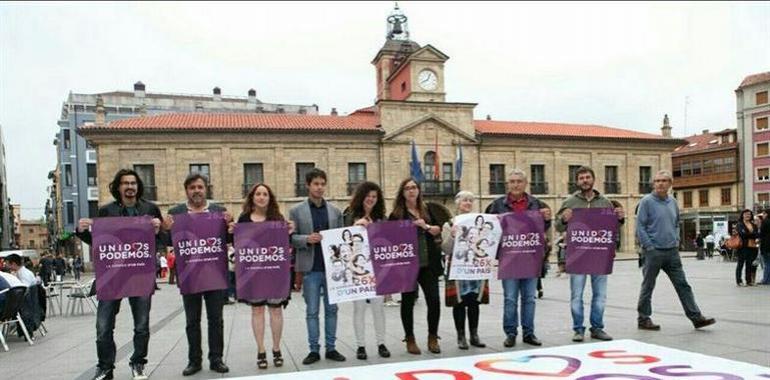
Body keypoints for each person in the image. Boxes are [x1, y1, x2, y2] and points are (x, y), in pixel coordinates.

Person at [75, 168, 163, 380]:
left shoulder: (150, 209)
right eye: (125, 183)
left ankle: (138, 363)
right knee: (103, 326)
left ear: (138, 187)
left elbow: (161, 241)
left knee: (141, 324)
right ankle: (105, 367)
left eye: (133, 183)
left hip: (141, 275)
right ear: (118, 187)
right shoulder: (106, 211)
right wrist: (82, 230)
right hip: (112, 277)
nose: (130, 186)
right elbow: (98, 242)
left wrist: (159, 230)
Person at [164, 173, 231, 376]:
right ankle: (194, 360)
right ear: (187, 191)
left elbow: (229, 237)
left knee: (216, 319)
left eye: (200, 187)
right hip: (189, 275)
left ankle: (216, 359)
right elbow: (169, 240)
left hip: (214, 273)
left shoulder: (219, 211)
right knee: (192, 321)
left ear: (206, 189)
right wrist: (166, 230)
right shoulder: (176, 213)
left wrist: (231, 224)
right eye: (192, 187)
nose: (196, 191)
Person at [636, 170, 716, 331]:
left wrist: (677, 240)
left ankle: (696, 317)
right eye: (657, 181)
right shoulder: (646, 201)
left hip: (672, 252)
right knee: (648, 285)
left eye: (664, 181)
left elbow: (677, 223)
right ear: (653, 184)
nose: (660, 183)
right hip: (654, 252)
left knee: (683, 285)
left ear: (670, 184)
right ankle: (643, 318)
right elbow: (640, 226)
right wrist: (649, 247)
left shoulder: (672, 202)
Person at [555, 166, 623, 343]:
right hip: (577, 256)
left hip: (599, 256)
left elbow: (613, 228)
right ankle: (578, 329)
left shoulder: (605, 202)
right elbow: (557, 226)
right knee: (576, 295)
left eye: (587, 177)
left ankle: (597, 328)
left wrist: (620, 218)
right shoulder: (570, 202)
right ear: (577, 182)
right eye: (581, 178)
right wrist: (563, 219)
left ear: (593, 179)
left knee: (600, 295)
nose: (585, 180)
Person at [486, 169, 552, 347]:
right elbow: (489, 229)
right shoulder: (497, 205)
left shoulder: (536, 204)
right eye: (512, 181)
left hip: (530, 259)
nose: (515, 184)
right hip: (509, 260)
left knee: (529, 298)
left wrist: (547, 219)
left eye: (519, 181)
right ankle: (510, 333)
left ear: (525, 184)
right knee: (510, 298)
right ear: (508, 184)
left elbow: (543, 228)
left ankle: (529, 333)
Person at [289, 168, 347, 365]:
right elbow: (291, 238)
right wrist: (307, 238)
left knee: (332, 310)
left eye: (322, 183)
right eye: (316, 184)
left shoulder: (335, 211)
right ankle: (313, 350)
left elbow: (342, 239)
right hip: (310, 269)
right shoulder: (296, 211)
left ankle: (331, 348)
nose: (320, 187)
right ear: (308, 185)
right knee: (312, 312)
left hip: (333, 270)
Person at [237, 183, 295, 370]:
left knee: (276, 310)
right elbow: (239, 244)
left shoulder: (277, 219)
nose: (261, 197)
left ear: (270, 198)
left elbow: (285, 244)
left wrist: (290, 230)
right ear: (252, 197)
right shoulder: (244, 219)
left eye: (265, 194)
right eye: (258, 194)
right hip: (254, 273)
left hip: (274, 272)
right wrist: (232, 231)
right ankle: (261, 350)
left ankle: (276, 349)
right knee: (257, 311)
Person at [389, 178, 443, 355]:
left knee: (434, 301)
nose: (411, 191)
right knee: (407, 302)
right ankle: (410, 338)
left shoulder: (427, 209)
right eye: (407, 188)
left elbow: (438, 229)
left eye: (414, 188)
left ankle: (432, 337)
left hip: (429, 264)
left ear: (419, 190)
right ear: (402, 192)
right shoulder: (397, 214)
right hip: (407, 266)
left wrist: (425, 225)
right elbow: (390, 239)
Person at [344, 181, 391, 360]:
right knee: (359, 308)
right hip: (356, 270)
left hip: (377, 269)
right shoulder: (349, 215)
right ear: (361, 197)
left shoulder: (382, 218)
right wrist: (356, 225)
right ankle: (360, 345)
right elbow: (341, 239)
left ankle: (381, 343)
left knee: (379, 308)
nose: (371, 199)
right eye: (368, 196)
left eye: (374, 196)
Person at [443, 191, 489, 350]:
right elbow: (446, 249)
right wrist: (453, 236)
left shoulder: (480, 223)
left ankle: (474, 335)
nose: (468, 203)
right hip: (457, 269)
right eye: (464, 200)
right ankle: (461, 336)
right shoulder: (449, 224)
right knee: (459, 303)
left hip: (475, 267)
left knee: (474, 301)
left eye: (470, 200)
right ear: (457, 203)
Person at [736, 209, 760, 287]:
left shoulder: (753, 225)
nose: (747, 215)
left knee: (749, 264)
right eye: (746, 214)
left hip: (752, 247)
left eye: (749, 214)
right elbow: (742, 234)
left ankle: (749, 281)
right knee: (740, 264)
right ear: (742, 215)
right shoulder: (740, 224)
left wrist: (750, 234)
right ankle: (739, 281)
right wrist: (752, 234)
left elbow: (757, 234)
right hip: (743, 247)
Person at [759, 209, 770, 285]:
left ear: (767, 214)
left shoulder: (765, 221)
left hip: (766, 246)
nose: (762, 215)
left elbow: (761, 234)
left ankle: (765, 280)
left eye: (763, 213)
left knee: (767, 263)